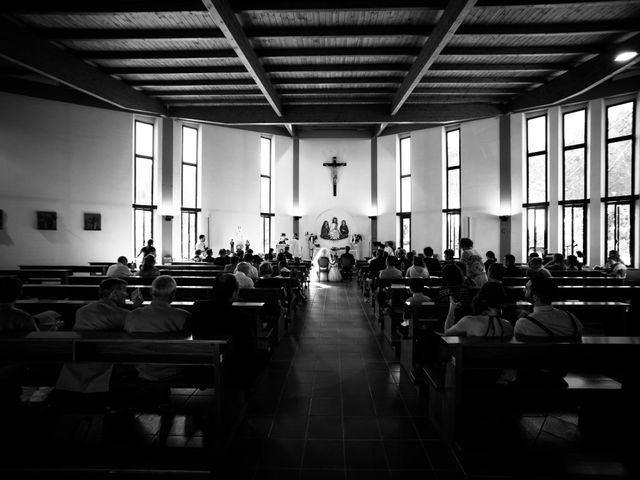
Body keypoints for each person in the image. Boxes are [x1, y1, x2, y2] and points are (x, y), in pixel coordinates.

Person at [55, 278, 143, 395]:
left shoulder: (82, 310)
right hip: (103, 365)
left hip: (75, 363)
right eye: (124, 291)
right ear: (114, 294)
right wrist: (136, 308)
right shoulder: (119, 314)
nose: (126, 294)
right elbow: (138, 323)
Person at [191, 274, 269, 392]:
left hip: (198, 362)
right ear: (234, 293)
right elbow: (248, 347)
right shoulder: (241, 316)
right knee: (263, 355)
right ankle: (242, 385)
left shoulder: (198, 308)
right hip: (229, 365)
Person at [124, 276, 191, 381]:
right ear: (173, 294)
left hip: (141, 366)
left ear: (151, 292)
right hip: (172, 367)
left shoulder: (132, 315)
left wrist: (135, 308)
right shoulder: (183, 316)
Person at [514, 277, 582, 337]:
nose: (523, 290)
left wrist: (528, 317)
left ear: (535, 297)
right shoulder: (572, 319)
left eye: (526, 288)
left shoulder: (523, 324)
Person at [443, 281, 513, 338]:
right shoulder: (508, 326)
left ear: (482, 298)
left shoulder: (469, 321)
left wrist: (451, 308)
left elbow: (447, 333)